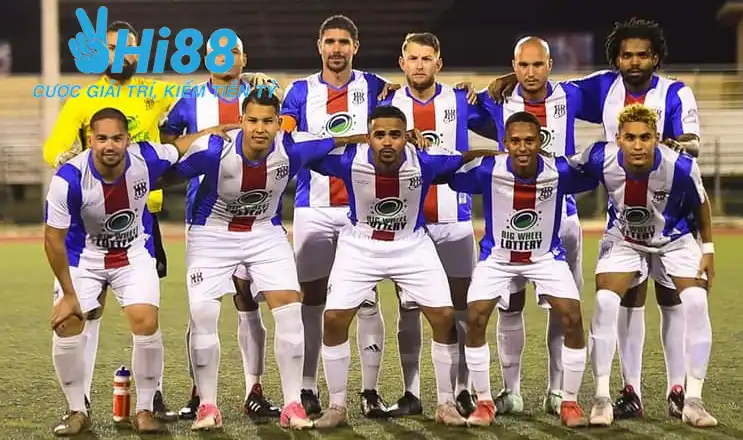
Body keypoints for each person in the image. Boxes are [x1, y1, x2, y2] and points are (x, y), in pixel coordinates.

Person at [42, 20, 275, 420]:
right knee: (88, 311)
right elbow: (53, 147)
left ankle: (153, 398)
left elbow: (203, 96)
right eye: (112, 47)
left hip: (142, 216)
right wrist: (69, 162)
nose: (121, 54)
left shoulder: (156, 92)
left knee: (146, 309)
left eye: (128, 47)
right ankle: (80, 402)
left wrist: (248, 80)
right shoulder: (81, 100)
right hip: (92, 220)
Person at [485, 18, 701, 419]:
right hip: (624, 220)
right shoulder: (604, 87)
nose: (633, 62)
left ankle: (677, 388)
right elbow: (542, 85)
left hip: (668, 215)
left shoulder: (675, 92)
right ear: (616, 58)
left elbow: (693, 142)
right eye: (626, 55)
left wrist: (674, 145)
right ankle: (630, 390)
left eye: (641, 55)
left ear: (655, 57)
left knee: (670, 299)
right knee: (629, 298)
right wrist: (511, 77)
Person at [166, 89, 372, 431]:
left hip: (264, 232)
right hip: (212, 233)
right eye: (252, 121)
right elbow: (168, 174)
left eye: (267, 121)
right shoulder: (215, 149)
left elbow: (337, 140)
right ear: (241, 121)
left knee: (290, 308)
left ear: (279, 123)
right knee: (203, 313)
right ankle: (207, 406)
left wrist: (371, 136)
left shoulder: (293, 146)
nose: (260, 129)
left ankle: (292, 405)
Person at [307, 105, 494, 429]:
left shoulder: (425, 159)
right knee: (334, 318)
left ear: (406, 137)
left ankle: (446, 403)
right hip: (361, 244)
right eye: (379, 135)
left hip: (411, 244)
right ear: (368, 138)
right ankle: (337, 406)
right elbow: (309, 153)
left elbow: (462, 157)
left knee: (444, 316)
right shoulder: (350, 160)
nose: (387, 141)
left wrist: (501, 153)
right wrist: (350, 138)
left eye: (395, 134)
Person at [44, 107, 225, 435]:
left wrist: (212, 131)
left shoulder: (145, 157)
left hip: (132, 255)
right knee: (67, 323)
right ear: (90, 140)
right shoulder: (68, 179)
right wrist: (68, 295)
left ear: (128, 140)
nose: (109, 146)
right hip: (83, 259)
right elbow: (52, 240)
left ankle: (144, 409)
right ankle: (76, 409)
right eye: (101, 139)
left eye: (117, 138)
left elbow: (178, 146)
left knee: (145, 320)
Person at [279, 14, 399, 417]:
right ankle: (308, 387)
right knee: (311, 298)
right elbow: (286, 137)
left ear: (355, 47)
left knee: (366, 298)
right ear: (319, 47)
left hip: (359, 209)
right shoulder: (300, 91)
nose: (336, 49)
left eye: (343, 42)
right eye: (329, 41)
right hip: (312, 207)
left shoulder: (376, 87)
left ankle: (369, 391)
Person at [159, 34, 283, 420]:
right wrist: (202, 136)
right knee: (202, 307)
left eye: (233, 51)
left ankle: (254, 389)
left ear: (244, 58)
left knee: (248, 301)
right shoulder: (190, 98)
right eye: (217, 51)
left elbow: (288, 121)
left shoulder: (262, 93)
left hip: (256, 215)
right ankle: (199, 393)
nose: (225, 58)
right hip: (205, 216)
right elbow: (169, 142)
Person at [569, 104, 716, 428]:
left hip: (675, 238)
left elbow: (701, 202)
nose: (637, 145)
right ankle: (602, 397)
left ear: (656, 138)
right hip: (624, 239)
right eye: (630, 137)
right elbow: (565, 169)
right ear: (618, 139)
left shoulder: (680, 165)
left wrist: (708, 249)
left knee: (695, 300)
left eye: (645, 137)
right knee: (606, 301)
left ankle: (692, 400)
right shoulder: (599, 156)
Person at [449, 111, 596, 428]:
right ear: (505, 144)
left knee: (572, 316)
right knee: (475, 317)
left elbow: (595, 171)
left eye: (529, 140)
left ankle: (569, 401)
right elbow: (449, 173)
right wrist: (478, 153)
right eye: (515, 141)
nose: (522, 147)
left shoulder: (558, 171)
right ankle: (484, 402)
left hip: (545, 257)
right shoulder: (489, 169)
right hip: (497, 258)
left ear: (540, 142)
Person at [379, 32, 496, 418]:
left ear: (438, 64)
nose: (419, 65)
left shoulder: (459, 100)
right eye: (413, 58)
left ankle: (462, 391)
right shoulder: (387, 104)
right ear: (402, 63)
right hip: (409, 224)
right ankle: (411, 392)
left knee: (461, 308)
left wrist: (491, 88)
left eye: (426, 58)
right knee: (409, 308)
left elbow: (500, 118)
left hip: (454, 220)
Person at [472, 36, 585, 416]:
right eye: (523, 65)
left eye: (538, 64)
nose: (531, 72)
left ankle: (557, 391)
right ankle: (512, 391)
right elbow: (456, 108)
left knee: (562, 308)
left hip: (562, 217)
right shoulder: (498, 100)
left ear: (550, 65)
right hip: (509, 220)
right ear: (513, 66)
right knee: (511, 304)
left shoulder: (571, 95)